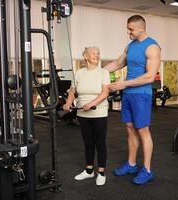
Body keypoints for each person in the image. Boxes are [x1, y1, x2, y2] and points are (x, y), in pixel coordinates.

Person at [104, 15, 161, 185]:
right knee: (130, 128)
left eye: (131, 29)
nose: (128, 31)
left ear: (141, 28)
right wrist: (96, 73)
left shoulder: (152, 47)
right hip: (128, 93)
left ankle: (147, 170)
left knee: (143, 130)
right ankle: (131, 163)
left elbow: (150, 77)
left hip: (141, 94)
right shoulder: (130, 46)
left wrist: (124, 83)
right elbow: (117, 63)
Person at [63, 46, 110, 186]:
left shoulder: (104, 72)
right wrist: (68, 102)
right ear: (85, 56)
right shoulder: (79, 73)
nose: (97, 55)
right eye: (94, 53)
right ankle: (89, 171)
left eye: (98, 53)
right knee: (88, 143)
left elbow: (105, 93)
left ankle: (101, 172)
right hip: (82, 113)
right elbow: (73, 91)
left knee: (100, 142)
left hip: (99, 112)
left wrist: (91, 104)